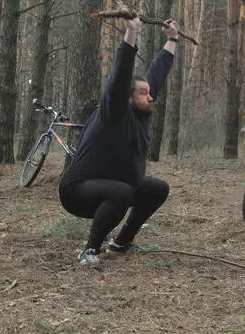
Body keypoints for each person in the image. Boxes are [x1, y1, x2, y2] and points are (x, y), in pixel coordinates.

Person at [58, 16, 179, 267]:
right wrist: (131, 32)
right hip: (78, 191)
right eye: (144, 93)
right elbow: (121, 75)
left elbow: (157, 72)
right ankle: (90, 250)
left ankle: (121, 243)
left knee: (157, 188)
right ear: (128, 98)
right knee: (122, 192)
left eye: (150, 93)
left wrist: (172, 39)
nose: (151, 97)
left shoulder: (141, 111)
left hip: (114, 188)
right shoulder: (114, 112)